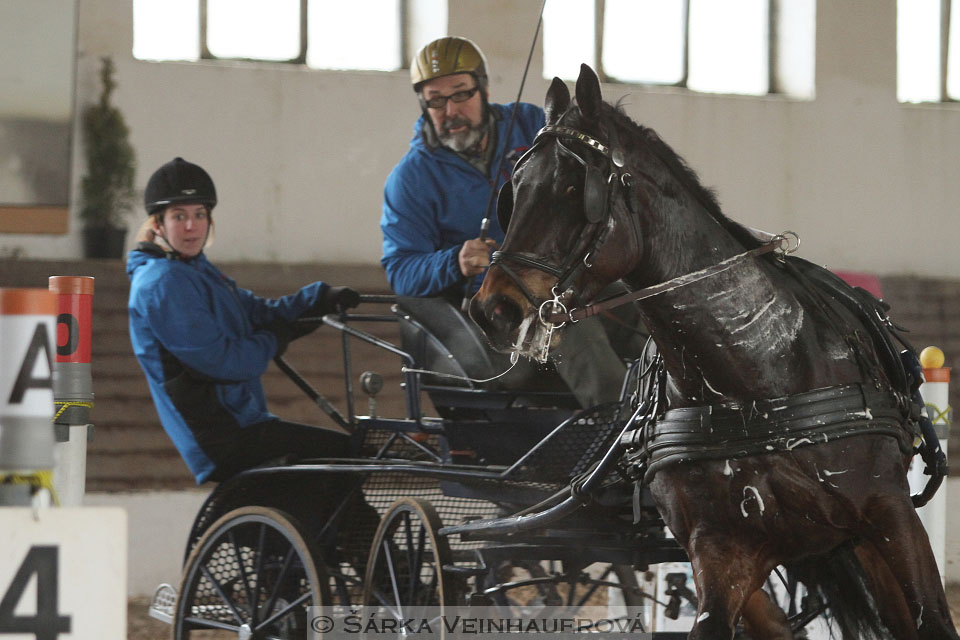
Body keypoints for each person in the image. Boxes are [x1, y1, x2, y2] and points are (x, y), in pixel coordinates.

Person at [380, 36, 628, 408]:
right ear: (423, 104)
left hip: (566, 281)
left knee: (644, 307)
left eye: (461, 94)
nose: (450, 110)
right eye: (435, 100)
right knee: (573, 332)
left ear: (483, 88)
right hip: (493, 306)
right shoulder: (411, 178)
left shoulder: (529, 125)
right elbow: (401, 269)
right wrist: (455, 262)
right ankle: (622, 437)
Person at [127, 157, 363, 485]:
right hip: (222, 435)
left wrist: (318, 299)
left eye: (199, 215)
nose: (191, 227)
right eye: (179, 216)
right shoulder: (162, 283)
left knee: (349, 460)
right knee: (349, 456)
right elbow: (220, 362)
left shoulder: (197, 271)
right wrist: (273, 339)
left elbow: (257, 312)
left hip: (243, 421)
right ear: (158, 224)